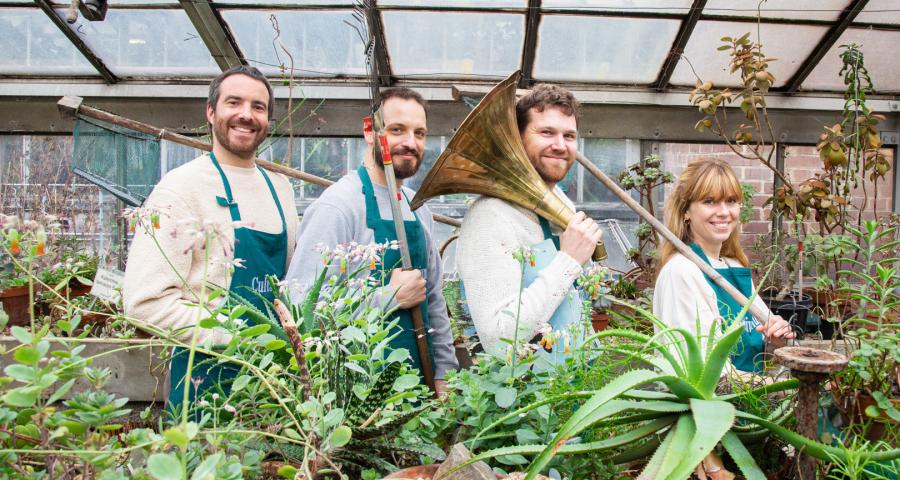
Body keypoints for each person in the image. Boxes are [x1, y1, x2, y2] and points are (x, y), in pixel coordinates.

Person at [123, 66, 298, 411]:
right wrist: (232, 336)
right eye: (234, 102)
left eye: (258, 107)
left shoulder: (281, 189)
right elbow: (143, 303)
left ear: (268, 120)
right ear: (211, 111)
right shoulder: (181, 188)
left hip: (275, 385)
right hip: (205, 385)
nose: (246, 115)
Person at [283, 88, 457, 394]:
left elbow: (434, 301)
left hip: (420, 389)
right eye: (397, 130)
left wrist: (445, 374)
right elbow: (302, 311)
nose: (410, 142)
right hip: (355, 396)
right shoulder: (338, 207)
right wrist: (389, 297)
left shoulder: (417, 208)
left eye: (419, 133)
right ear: (369, 130)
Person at [456, 84, 603, 364]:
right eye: (546, 132)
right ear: (517, 138)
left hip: (574, 382)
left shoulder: (562, 202)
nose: (560, 145)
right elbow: (499, 339)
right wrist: (569, 261)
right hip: (521, 390)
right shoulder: (490, 215)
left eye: (569, 136)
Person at [653, 158, 794, 374]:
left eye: (731, 201)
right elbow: (705, 374)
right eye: (709, 201)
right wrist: (781, 388)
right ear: (686, 211)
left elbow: (763, 343)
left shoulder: (731, 266)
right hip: (718, 396)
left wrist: (777, 339)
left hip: (751, 392)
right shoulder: (681, 272)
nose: (724, 212)